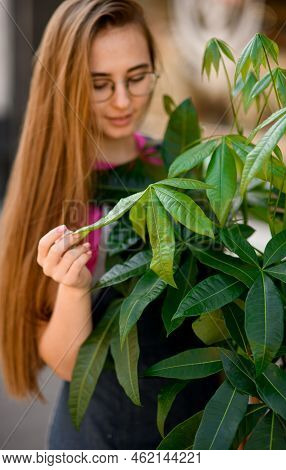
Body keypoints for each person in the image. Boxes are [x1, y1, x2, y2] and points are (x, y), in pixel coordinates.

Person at [0, 0, 219, 450]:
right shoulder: (54, 188)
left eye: (137, 77)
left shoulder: (181, 162)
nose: (123, 101)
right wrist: (75, 288)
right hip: (105, 438)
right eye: (99, 84)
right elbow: (64, 363)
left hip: (207, 425)